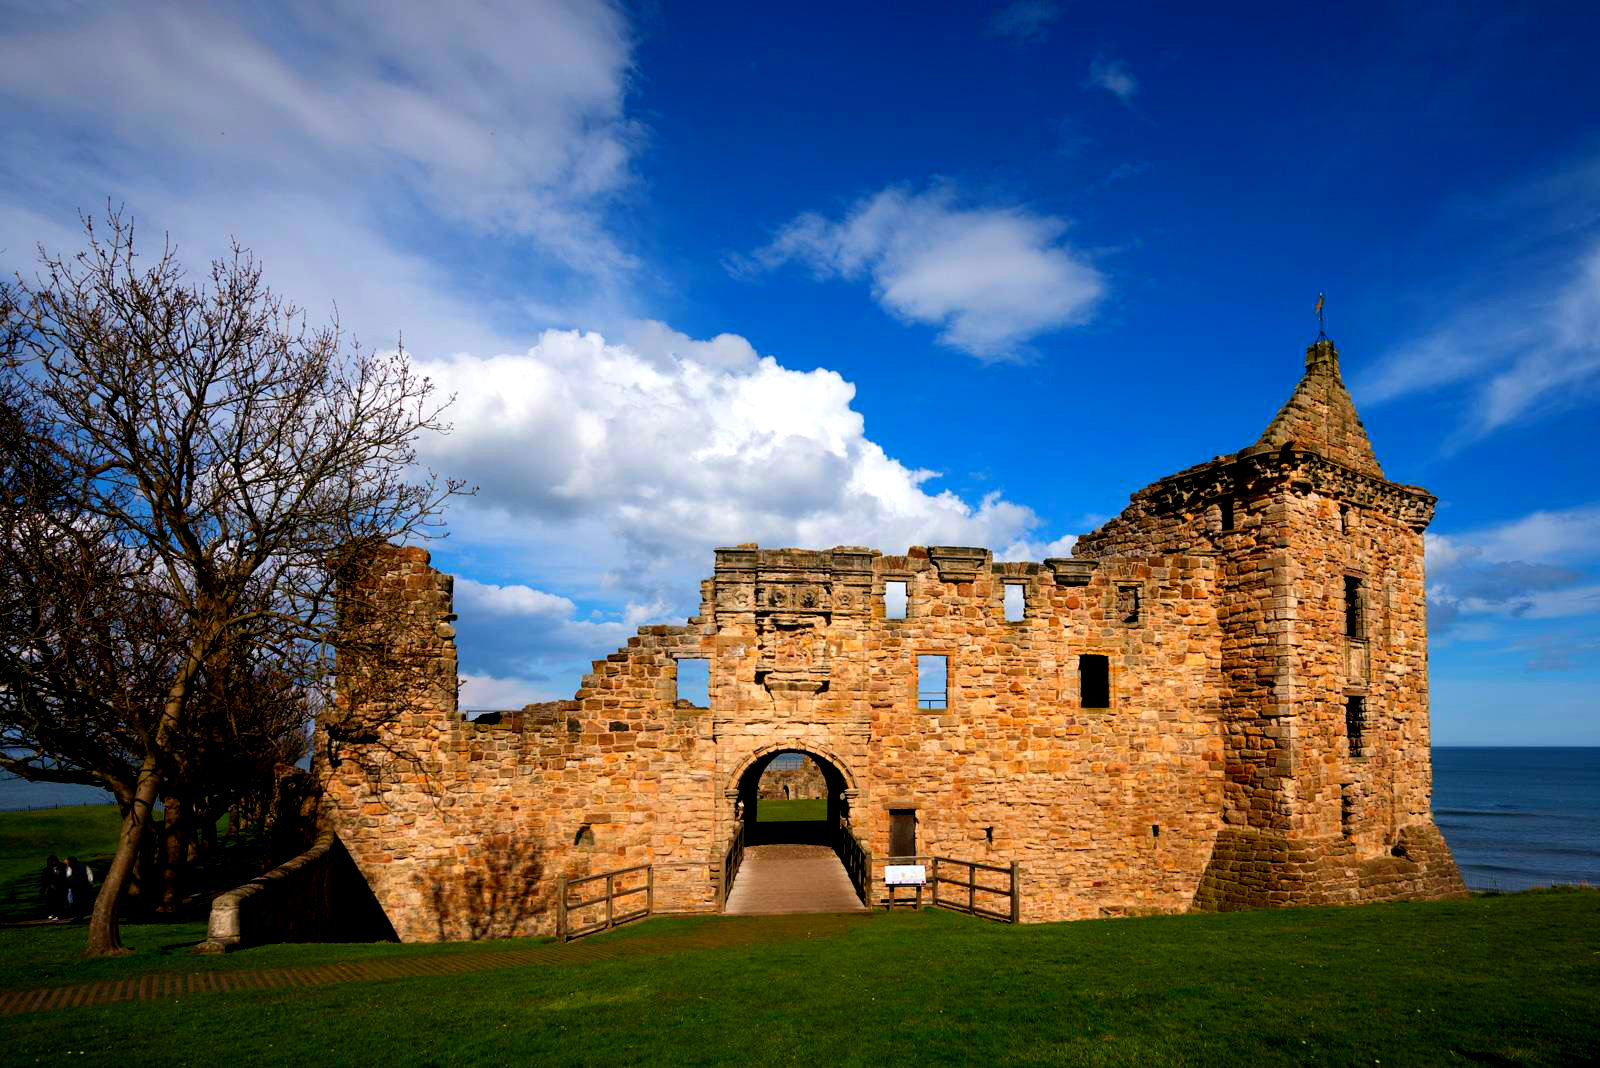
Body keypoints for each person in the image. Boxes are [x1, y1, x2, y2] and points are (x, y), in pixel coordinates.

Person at [39, 855, 64, 921]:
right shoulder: (46, 870)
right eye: (51, 862)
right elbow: (43, 881)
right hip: (51, 889)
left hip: (60, 888)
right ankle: (53, 913)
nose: (53, 863)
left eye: (54, 861)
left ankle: (58, 915)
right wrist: (42, 889)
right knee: (51, 902)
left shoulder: (62, 868)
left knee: (59, 902)